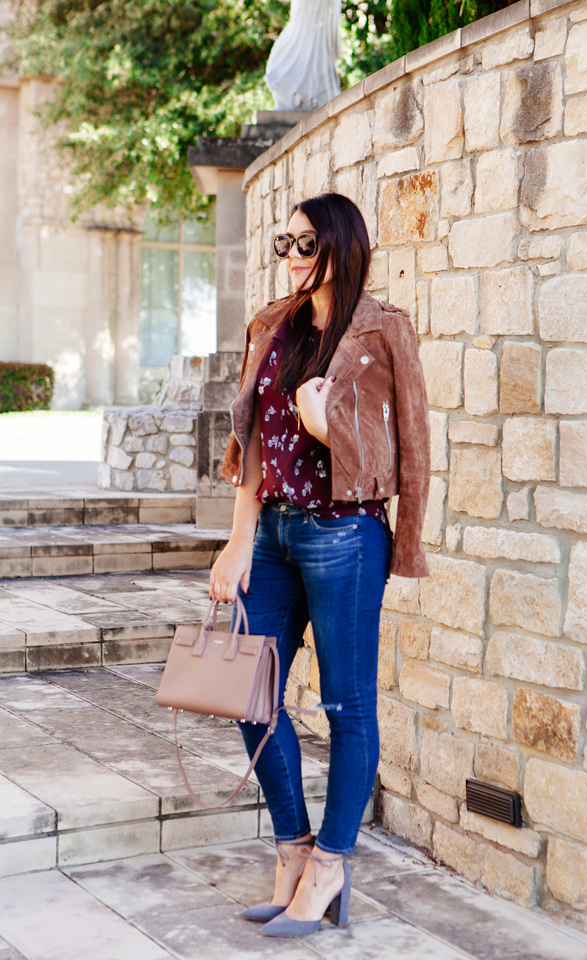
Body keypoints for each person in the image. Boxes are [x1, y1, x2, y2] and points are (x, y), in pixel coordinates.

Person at [210, 192, 430, 937]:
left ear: (341, 244)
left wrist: (325, 424)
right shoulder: (272, 324)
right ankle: (293, 850)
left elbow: (411, 452)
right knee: (250, 692)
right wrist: (239, 539)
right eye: (286, 244)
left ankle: (333, 864)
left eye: (306, 243)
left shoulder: (382, 328)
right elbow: (253, 445)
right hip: (270, 532)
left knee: (347, 706)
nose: (294, 256)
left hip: (346, 537)